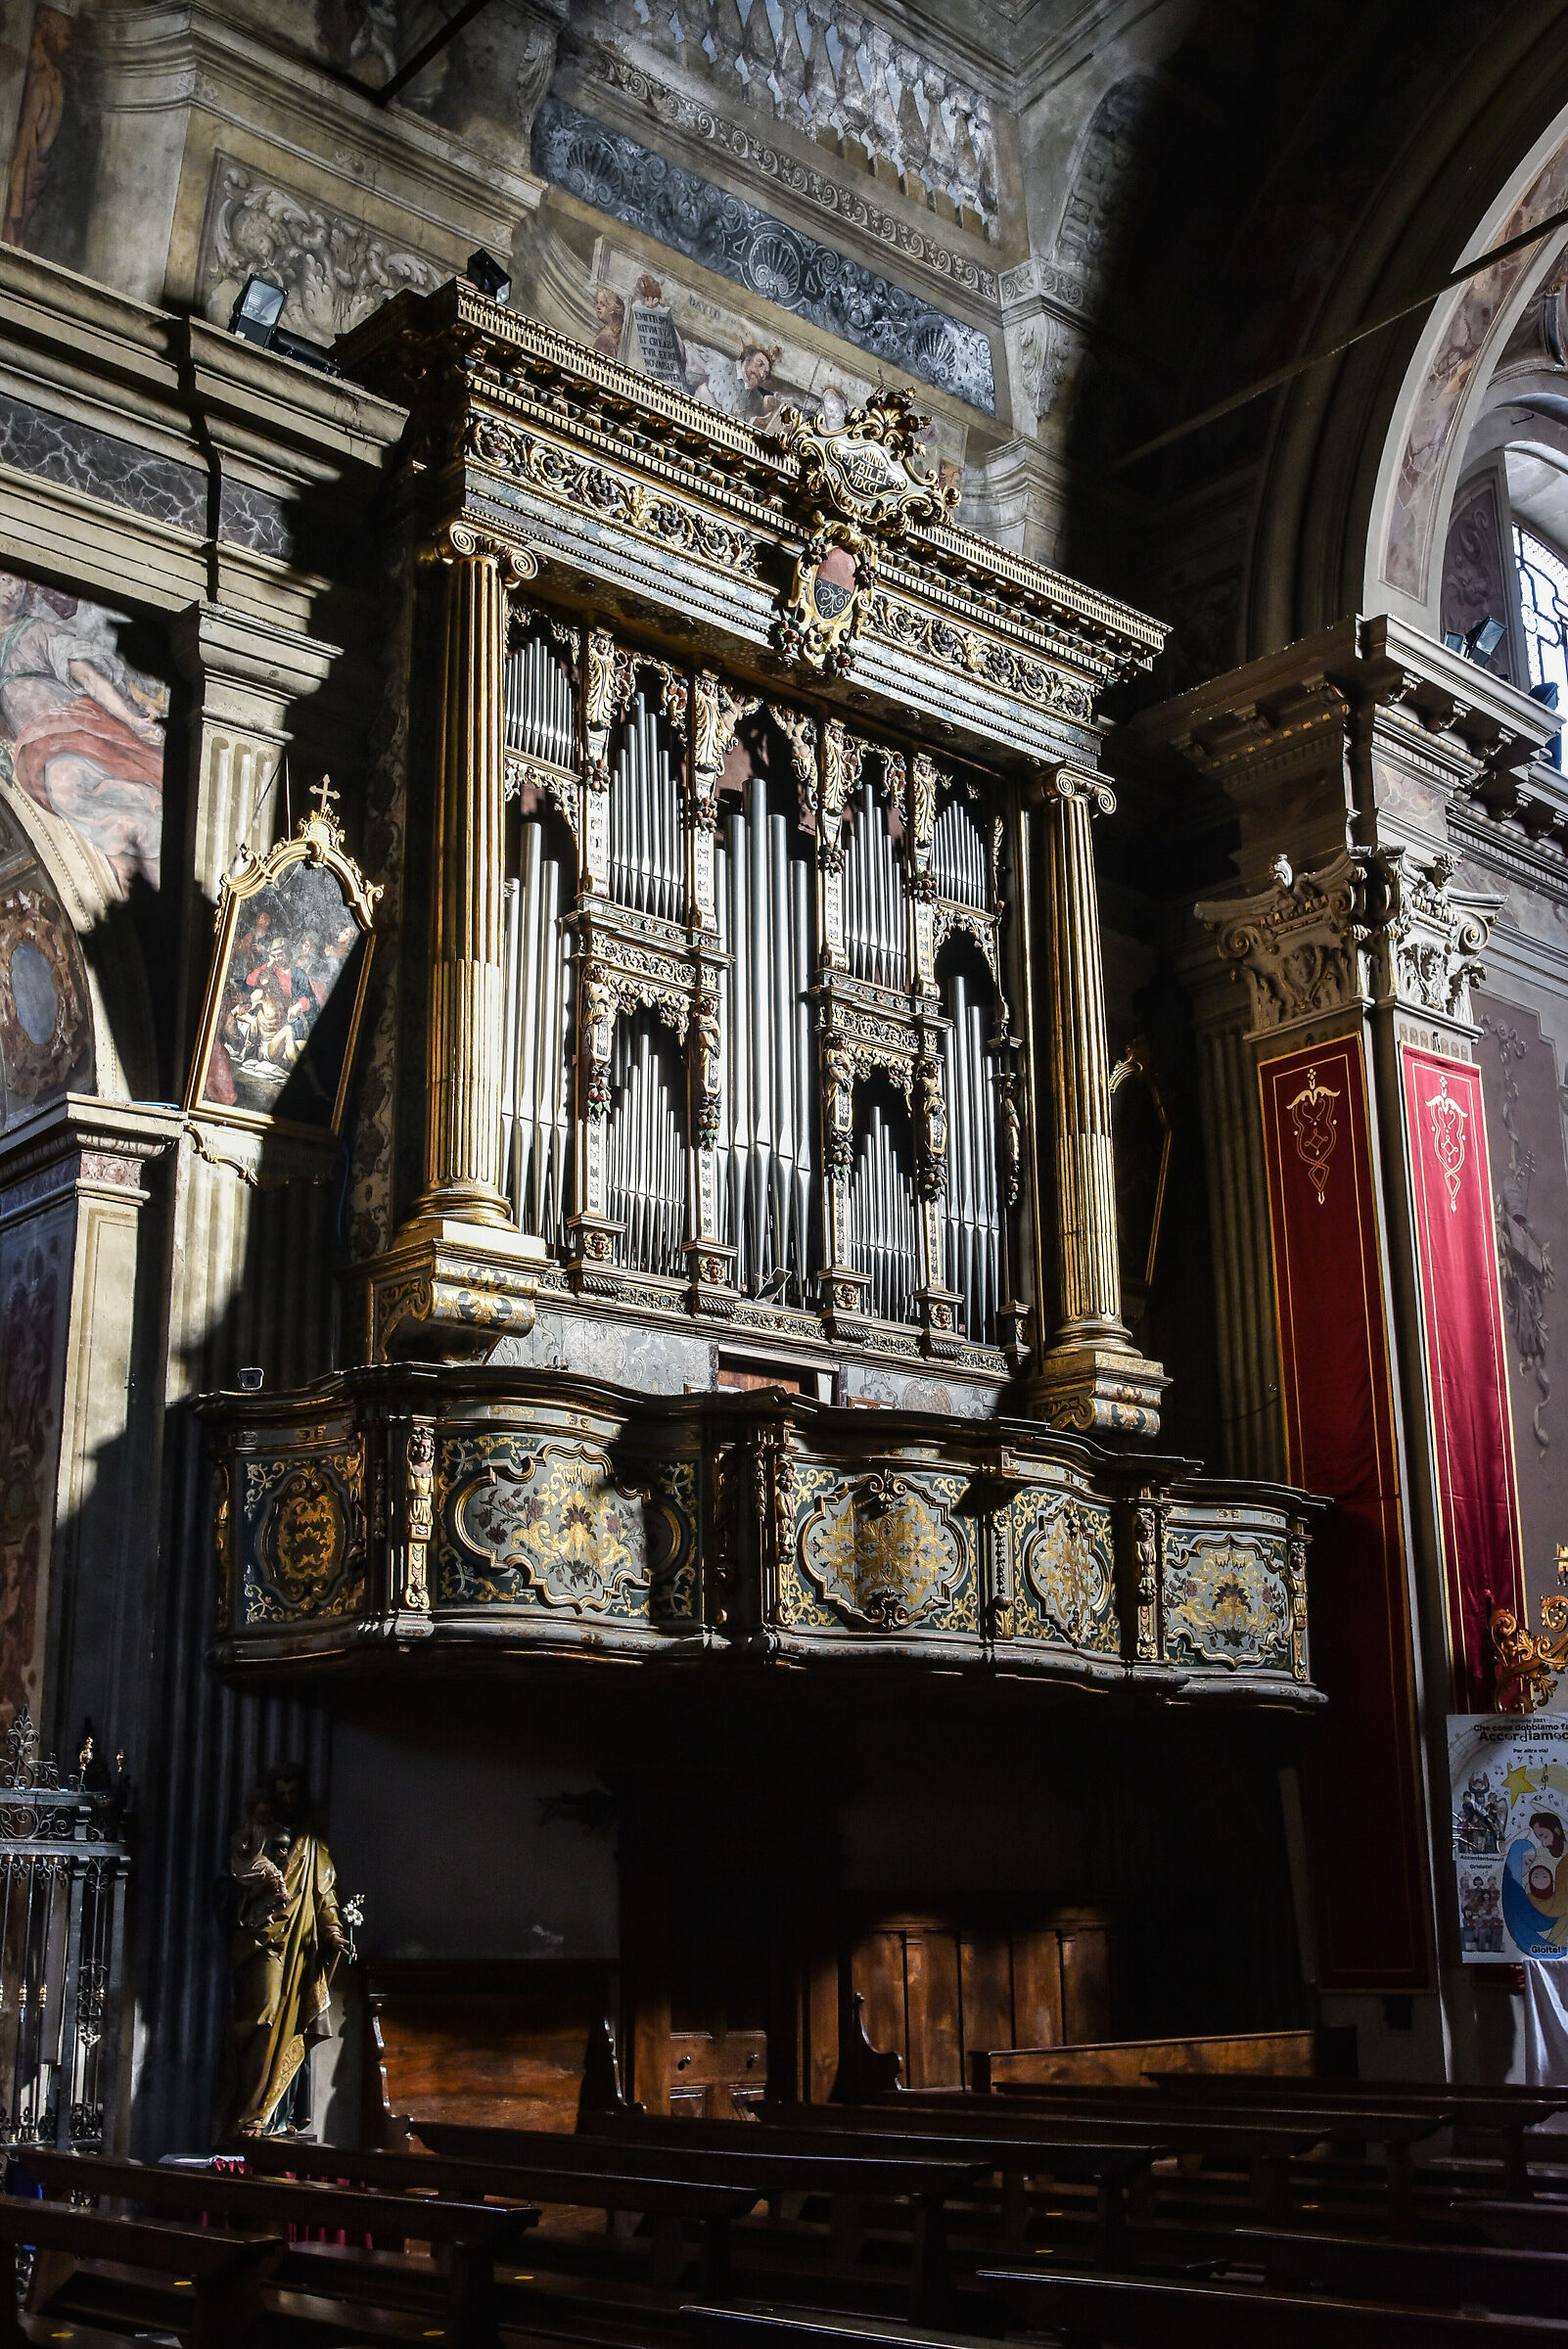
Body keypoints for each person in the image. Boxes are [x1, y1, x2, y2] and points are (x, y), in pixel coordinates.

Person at [215, 1767, 348, 2142]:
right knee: (263, 2016)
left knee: (288, 2022)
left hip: (298, 1951)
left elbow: (325, 1897)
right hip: (260, 1943)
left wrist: (335, 1933)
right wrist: (254, 1893)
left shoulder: (313, 1849)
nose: (287, 1801)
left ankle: (274, 2116)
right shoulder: (251, 1840)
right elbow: (228, 1891)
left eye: (294, 1795)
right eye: (281, 1795)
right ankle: (245, 2113)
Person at [1503, 1808, 1568, 1954]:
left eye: (1544, 1836)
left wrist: (1532, 1898)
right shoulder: (1561, 1864)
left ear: (1557, 1831)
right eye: (1540, 1839)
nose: (1544, 1844)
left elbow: (1561, 1906)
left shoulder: (1564, 1865)